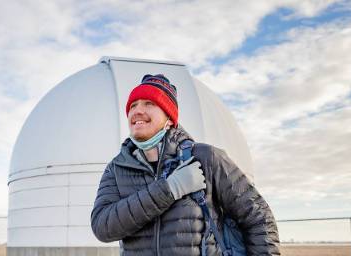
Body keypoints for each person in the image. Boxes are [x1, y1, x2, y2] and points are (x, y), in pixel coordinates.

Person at [91, 74, 281, 255]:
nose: (137, 111)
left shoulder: (206, 158)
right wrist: (170, 189)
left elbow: (259, 218)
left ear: (169, 117)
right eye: (133, 105)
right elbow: (102, 227)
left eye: (149, 103)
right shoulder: (116, 168)